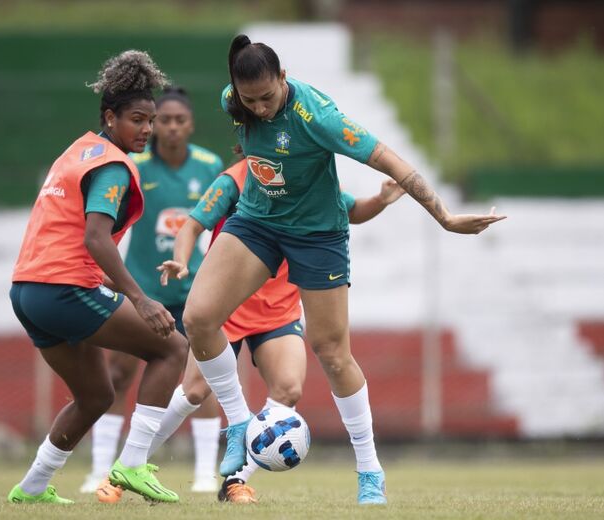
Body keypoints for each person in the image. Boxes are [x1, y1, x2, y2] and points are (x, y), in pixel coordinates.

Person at [179, 35, 507, 506]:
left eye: (268, 97)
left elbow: (394, 161)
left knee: (331, 352)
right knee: (197, 318)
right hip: (256, 222)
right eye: (250, 100)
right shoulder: (234, 100)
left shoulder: (320, 118)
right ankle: (237, 425)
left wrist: (446, 217)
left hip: (317, 234)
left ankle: (370, 471)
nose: (260, 108)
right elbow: (247, 120)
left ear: (284, 79)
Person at [156, 158, 405, 504]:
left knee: (288, 388)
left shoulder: (310, 177)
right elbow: (192, 225)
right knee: (194, 391)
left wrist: (380, 199)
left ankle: (235, 480)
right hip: (229, 305)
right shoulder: (236, 179)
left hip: (278, 311)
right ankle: (131, 463)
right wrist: (181, 260)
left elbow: (353, 210)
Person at [6, 50, 187, 505]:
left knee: (95, 394)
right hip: (62, 290)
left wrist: (103, 281)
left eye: (151, 120)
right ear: (110, 117)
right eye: (137, 120)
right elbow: (96, 238)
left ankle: (30, 488)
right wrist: (141, 299)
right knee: (172, 347)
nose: (146, 129)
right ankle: (132, 463)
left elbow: (65, 232)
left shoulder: (78, 150)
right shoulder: (111, 165)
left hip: (27, 291)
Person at [81, 86, 225, 500]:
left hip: (193, 290)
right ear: (154, 123)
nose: (172, 127)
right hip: (143, 289)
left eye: (180, 120)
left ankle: (203, 474)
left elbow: (215, 227)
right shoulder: (133, 166)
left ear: (191, 124)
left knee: (202, 380)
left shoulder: (209, 164)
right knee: (118, 374)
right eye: (163, 119)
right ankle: (99, 471)